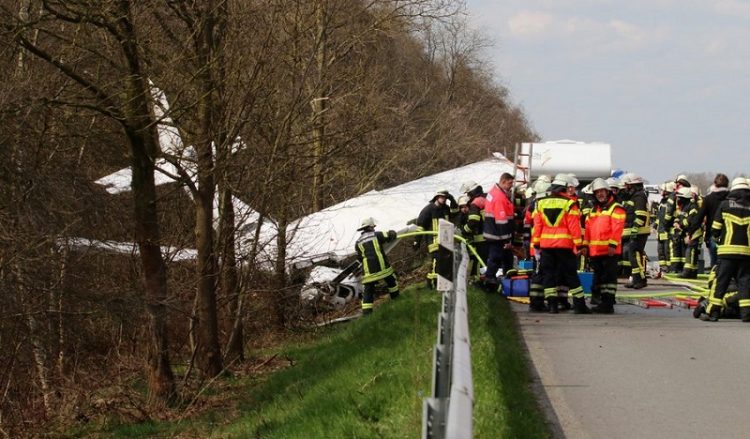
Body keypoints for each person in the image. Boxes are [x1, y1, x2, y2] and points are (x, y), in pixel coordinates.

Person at [532, 173, 590, 314]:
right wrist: (579, 244)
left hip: (546, 246)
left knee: (548, 275)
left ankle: (552, 305)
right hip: (564, 245)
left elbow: (537, 225)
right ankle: (579, 305)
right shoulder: (570, 204)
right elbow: (574, 227)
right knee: (571, 275)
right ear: (564, 187)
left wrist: (536, 243)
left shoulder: (540, 202)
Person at [699, 177, 750, 322]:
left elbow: (715, 228)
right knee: (745, 283)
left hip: (727, 252)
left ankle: (713, 312)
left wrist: (718, 239)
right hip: (747, 253)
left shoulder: (725, 204)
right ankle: (747, 314)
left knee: (721, 282)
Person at [582, 178, 626, 313]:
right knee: (598, 278)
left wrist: (612, 245)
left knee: (609, 279)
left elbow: (617, 229)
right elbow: (588, 229)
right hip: (595, 252)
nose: (600, 194)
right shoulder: (593, 210)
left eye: (602, 191)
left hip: (609, 251)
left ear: (608, 192)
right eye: (597, 192)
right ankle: (599, 301)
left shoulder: (616, 208)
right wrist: (584, 245)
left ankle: (608, 304)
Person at [354, 217, 400, 315]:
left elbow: (360, 257)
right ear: (371, 226)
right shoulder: (377, 235)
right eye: (373, 226)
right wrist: (392, 232)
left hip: (368, 272)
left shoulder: (357, 243)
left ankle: (367, 313)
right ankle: (396, 299)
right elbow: (391, 234)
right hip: (382, 268)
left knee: (368, 290)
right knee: (392, 281)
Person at [415, 188, 457, 288]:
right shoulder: (428, 209)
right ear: (437, 197)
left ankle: (444, 284)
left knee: (446, 263)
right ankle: (432, 284)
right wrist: (417, 241)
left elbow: (456, 212)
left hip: (446, 240)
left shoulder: (446, 208)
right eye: (442, 197)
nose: (444, 199)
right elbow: (421, 226)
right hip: (434, 241)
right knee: (436, 262)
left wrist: (453, 200)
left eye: (446, 198)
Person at [482, 172, 516, 290]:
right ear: (503, 181)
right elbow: (501, 220)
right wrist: (507, 239)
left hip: (494, 233)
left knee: (505, 258)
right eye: (510, 183)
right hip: (498, 234)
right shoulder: (499, 197)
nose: (511, 185)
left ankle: (505, 281)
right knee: (496, 258)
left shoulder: (494, 193)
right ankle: (490, 280)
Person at [689, 173, 729, 269]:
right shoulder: (731, 198)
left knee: (714, 263)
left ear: (715, 184)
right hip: (729, 234)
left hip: (712, 234)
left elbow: (699, 218)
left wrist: (691, 233)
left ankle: (715, 277)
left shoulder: (708, 199)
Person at [622, 173, 650, 289]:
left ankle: (641, 280)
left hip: (639, 232)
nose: (625, 187)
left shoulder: (639, 196)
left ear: (632, 185)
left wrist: (634, 230)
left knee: (635, 255)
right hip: (637, 232)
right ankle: (635, 279)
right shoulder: (634, 196)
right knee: (632, 256)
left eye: (627, 185)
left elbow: (640, 216)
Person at [460, 182, 487, 282]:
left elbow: (473, 221)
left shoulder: (475, 203)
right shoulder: (487, 197)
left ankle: (481, 280)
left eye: (468, 193)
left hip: (481, 238)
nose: (467, 196)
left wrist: (463, 231)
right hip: (495, 235)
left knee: (480, 260)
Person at [654, 181, 675, 273]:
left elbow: (669, 215)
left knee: (667, 251)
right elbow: (660, 215)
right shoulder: (662, 201)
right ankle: (663, 267)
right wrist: (655, 224)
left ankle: (669, 268)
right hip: (661, 230)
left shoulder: (670, 201)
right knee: (660, 250)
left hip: (667, 230)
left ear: (667, 190)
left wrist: (665, 224)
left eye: (663, 190)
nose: (661, 191)